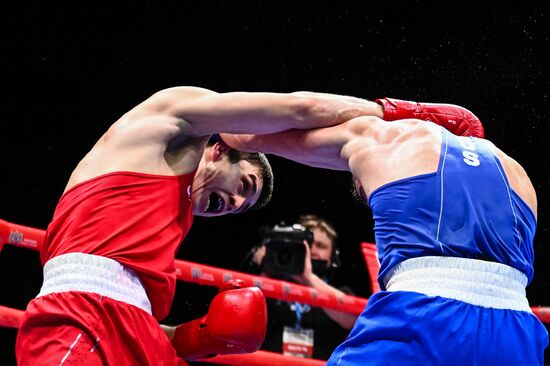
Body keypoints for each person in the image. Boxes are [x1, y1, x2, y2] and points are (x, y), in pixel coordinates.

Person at [14, 86, 385, 365]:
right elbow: (302, 108)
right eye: (244, 185)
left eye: (242, 207)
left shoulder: (169, 216)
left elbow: (126, 306)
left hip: (139, 334)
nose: (236, 203)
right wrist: (395, 116)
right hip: (78, 318)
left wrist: (197, 336)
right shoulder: (163, 122)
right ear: (221, 149)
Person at [221, 97, 549, 365]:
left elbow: (301, 112)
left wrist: (214, 124)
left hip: (423, 317)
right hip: (516, 331)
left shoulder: (386, 138)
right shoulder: (517, 174)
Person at [242, 214, 356, 359]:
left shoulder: (340, 292)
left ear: (333, 257)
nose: (312, 251)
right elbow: (241, 313)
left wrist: (308, 277)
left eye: (321, 246)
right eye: (308, 244)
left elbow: (352, 320)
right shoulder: (270, 284)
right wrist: (265, 266)